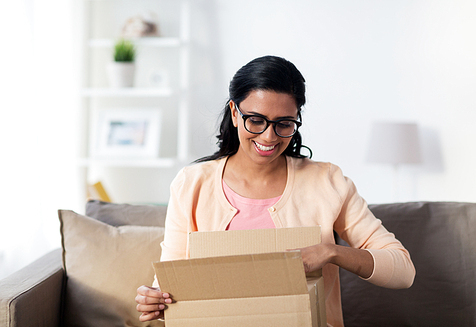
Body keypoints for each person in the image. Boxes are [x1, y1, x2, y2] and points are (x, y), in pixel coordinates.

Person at [135, 55, 416, 327]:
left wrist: (330, 252)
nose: (269, 137)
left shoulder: (327, 182)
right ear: (235, 113)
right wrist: (155, 301)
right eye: (256, 120)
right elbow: (171, 286)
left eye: (284, 124)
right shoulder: (192, 184)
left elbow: (403, 271)